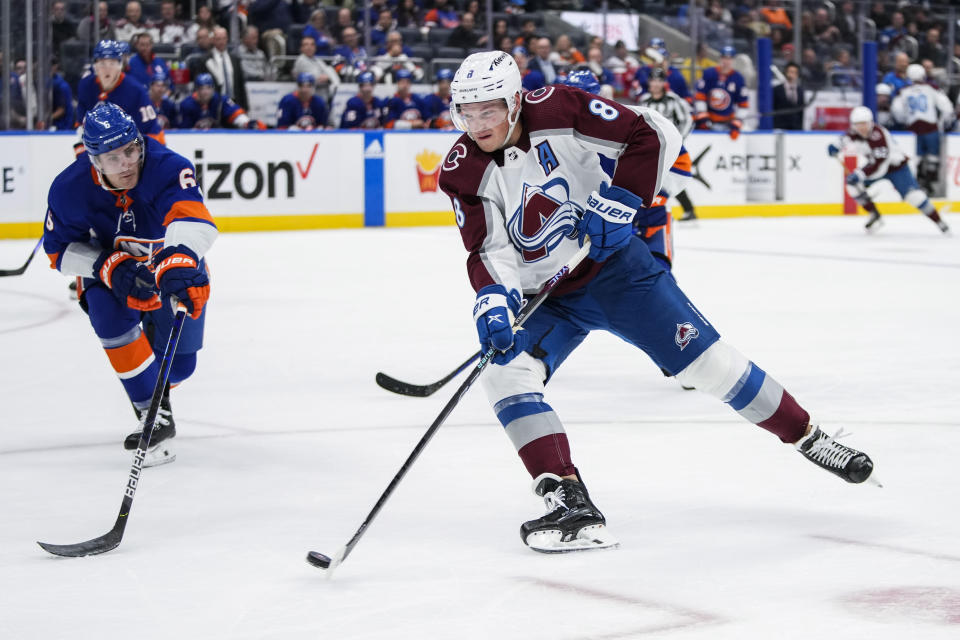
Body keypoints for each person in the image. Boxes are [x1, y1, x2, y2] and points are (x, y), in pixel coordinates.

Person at [440, 51, 876, 554]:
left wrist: (621, 200)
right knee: (505, 374)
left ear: (515, 101)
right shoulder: (460, 170)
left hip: (618, 273)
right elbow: (488, 247)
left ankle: (808, 435)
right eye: (465, 113)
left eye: (488, 110)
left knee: (708, 368)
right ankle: (567, 498)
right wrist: (493, 300)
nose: (476, 124)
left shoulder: (560, 110)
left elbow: (650, 134)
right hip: (548, 296)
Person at [42, 102, 217, 467]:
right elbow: (58, 252)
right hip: (112, 276)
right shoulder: (68, 189)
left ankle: (153, 394)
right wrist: (105, 264)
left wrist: (180, 260)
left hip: (168, 269)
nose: (126, 163)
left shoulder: (169, 166)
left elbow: (194, 219)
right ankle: (154, 418)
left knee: (180, 367)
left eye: (131, 150)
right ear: (94, 160)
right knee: (106, 315)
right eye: (112, 157)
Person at [828, 106, 949, 233]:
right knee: (852, 186)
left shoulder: (878, 136)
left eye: (864, 124)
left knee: (914, 197)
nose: (861, 128)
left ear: (871, 122)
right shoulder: (853, 133)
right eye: (858, 125)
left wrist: (860, 174)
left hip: (896, 168)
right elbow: (843, 140)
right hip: (875, 166)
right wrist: (834, 146)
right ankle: (874, 215)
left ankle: (939, 221)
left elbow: (880, 166)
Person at [636, 67, 697, 224]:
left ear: (664, 83)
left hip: (671, 147)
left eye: (659, 80)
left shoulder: (673, 99)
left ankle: (684, 209)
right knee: (654, 179)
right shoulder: (644, 100)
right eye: (653, 80)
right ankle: (655, 212)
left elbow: (687, 120)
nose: (655, 84)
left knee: (670, 179)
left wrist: (678, 140)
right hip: (651, 148)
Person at [76, 40, 164, 145]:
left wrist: (132, 147)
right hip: (102, 149)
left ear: (120, 66)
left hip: (135, 145)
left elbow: (149, 135)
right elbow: (82, 126)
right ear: (95, 66)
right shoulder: (86, 86)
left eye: (112, 63)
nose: (107, 69)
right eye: (102, 63)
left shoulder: (136, 91)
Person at [890, 64, 954, 193]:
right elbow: (947, 107)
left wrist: (904, 121)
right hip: (931, 128)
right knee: (932, 158)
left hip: (912, 129)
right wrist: (941, 123)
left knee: (915, 158)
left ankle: (917, 183)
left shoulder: (903, 91)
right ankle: (929, 184)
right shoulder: (931, 88)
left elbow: (896, 110)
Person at [694, 45, 747, 139]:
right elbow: (700, 96)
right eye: (724, 58)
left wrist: (737, 122)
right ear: (720, 59)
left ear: (733, 60)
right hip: (708, 121)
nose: (726, 61)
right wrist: (702, 115)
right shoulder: (709, 73)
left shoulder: (738, 78)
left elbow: (743, 104)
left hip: (727, 123)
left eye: (729, 58)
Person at [178, 73, 265, 129]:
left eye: (208, 88)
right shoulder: (187, 104)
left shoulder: (220, 100)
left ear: (213, 89)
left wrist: (248, 123)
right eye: (202, 88)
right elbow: (184, 130)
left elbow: (236, 115)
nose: (205, 92)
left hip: (217, 140)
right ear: (196, 90)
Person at [203, 26, 249, 110]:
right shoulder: (206, 60)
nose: (221, 42)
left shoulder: (235, 59)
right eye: (218, 39)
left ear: (227, 39)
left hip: (234, 103)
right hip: (214, 104)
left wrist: (245, 107)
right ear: (213, 40)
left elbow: (240, 85)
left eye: (224, 38)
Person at [772, 62, 805, 130]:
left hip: (795, 128)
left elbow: (801, 111)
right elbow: (773, 108)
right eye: (790, 71)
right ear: (785, 72)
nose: (791, 74)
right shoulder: (777, 90)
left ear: (797, 75)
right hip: (780, 126)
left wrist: (800, 127)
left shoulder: (800, 91)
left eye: (794, 72)